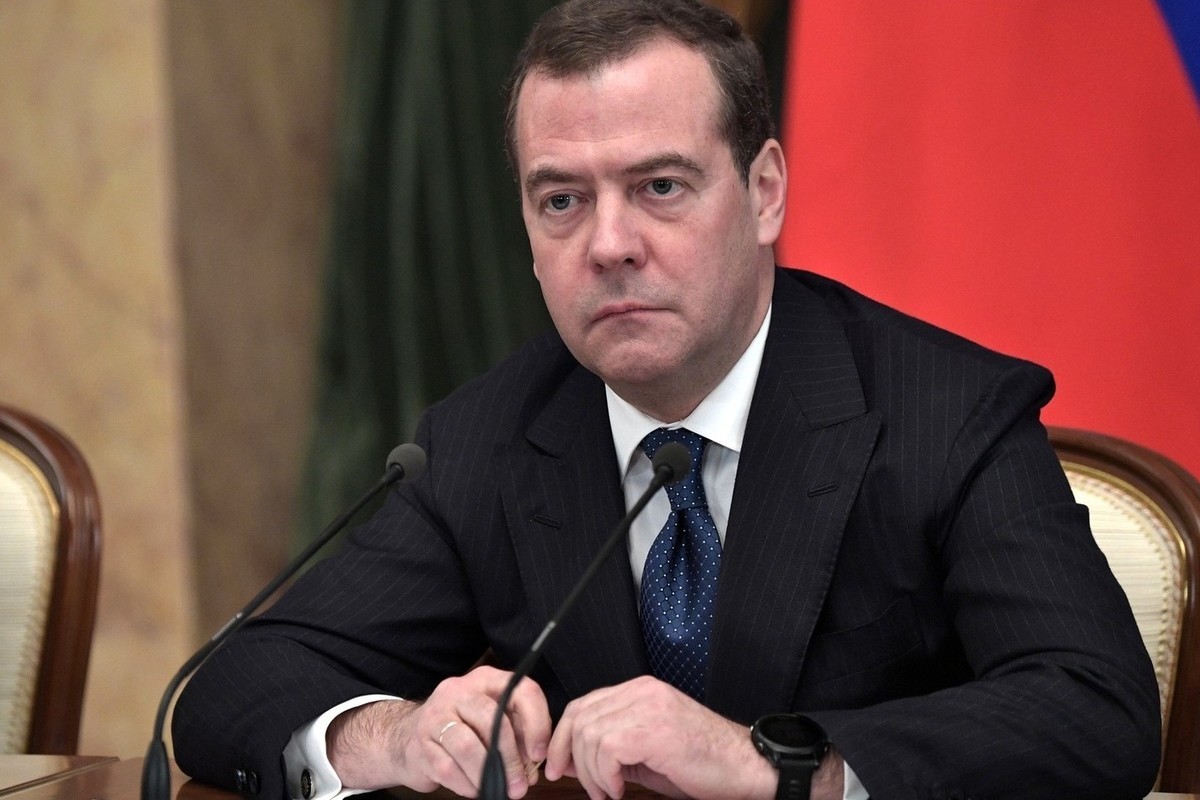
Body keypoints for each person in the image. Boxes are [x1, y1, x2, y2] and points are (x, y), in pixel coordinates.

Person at [172, 1, 1161, 798]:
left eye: (659, 187)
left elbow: (1096, 710)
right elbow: (231, 689)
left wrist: (777, 764)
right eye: (562, 200)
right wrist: (395, 734)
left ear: (764, 192)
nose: (609, 245)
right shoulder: (485, 440)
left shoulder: (944, 412)